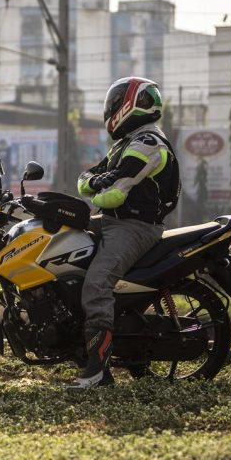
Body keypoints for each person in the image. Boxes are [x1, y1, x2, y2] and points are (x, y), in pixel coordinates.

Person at [68, 77, 180, 390]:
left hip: (135, 227)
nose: (110, 109)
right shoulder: (126, 144)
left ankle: (98, 372)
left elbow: (113, 192)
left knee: (98, 281)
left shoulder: (148, 144)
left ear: (133, 104)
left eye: (115, 103)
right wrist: (94, 186)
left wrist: (95, 187)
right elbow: (87, 178)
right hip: (110, 221)